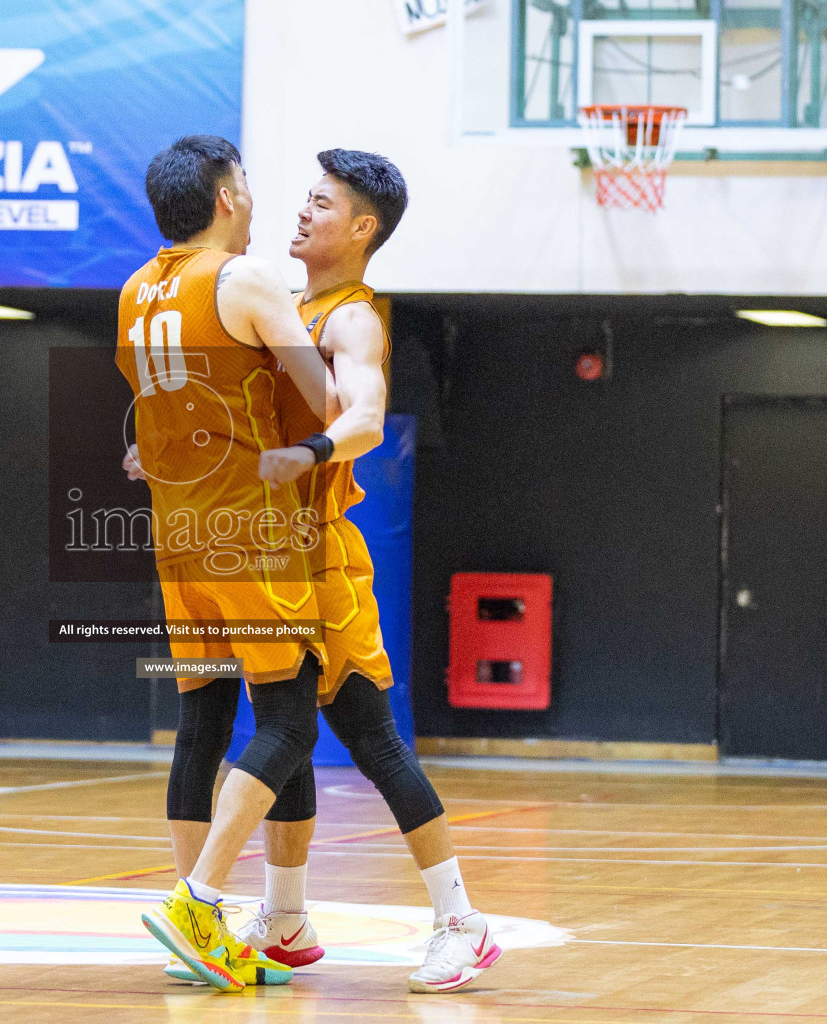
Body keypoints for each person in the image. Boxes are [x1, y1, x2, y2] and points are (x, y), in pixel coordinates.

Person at [154, 150, 501, 994]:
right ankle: (284, 920)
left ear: (361, 227)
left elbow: (370, 415)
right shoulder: (274, 305)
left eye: (321, 203)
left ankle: (462, 921)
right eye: (303, 199)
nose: (302, 212)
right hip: (262, 549)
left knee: (370, 738)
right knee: (287, 733)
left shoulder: (351, 319)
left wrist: (309, 448)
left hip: (320, 556)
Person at [115, 134, 341, 992]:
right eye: (244, 184)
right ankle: (201, 903)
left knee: (202, 723)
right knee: (288, 722)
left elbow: (153, 420)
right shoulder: (243, 281)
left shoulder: (137, 290)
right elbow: (322, 400)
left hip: (179, 542)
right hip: (252, 535)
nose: (253, 198)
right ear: (223, 199)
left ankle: (213, 921)